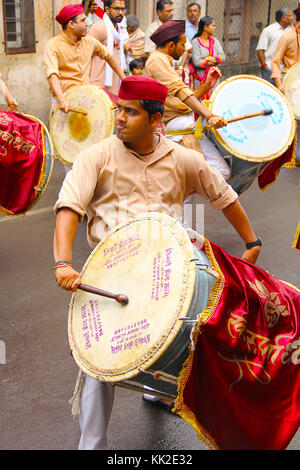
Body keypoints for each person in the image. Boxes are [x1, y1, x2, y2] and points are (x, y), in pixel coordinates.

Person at [53, 75, 261, 450]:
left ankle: (160, 390)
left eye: (129, 112)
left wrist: (252, 242)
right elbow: (69, 208)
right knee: (98, 362)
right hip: (112, 274)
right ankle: (92, 445)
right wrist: (63, 263)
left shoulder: (184, 158)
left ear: (155, 119)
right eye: (118, 109)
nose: (118, 118)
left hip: (168, 271)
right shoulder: (96, 156)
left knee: (188, 340)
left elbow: (224, 196)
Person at [145, 20, 231, 181]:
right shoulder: (157, 60)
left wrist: (207, 86)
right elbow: (180, 91)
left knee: (197, 179)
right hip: (179, 130)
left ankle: (182, 190)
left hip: (185, 126)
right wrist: (209, 116)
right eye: (183, 44)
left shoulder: (163, 61)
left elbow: (183, 98)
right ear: (171, 45)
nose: (185, 49)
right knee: (220, 172)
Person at [43, 4, 125, 115]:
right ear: (71, 24)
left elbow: (109, 56)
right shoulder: (53, 45)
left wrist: (123, 79)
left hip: (85, 102)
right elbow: (52, 75)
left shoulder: (89, 41)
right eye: (83, 21)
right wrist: (61, 99)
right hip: (64, 104)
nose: (87, 24)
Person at [272, 3, 300, 163]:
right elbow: (275, 61)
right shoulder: (287, 36)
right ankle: (288, 155)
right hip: (290, 84)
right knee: (292, 120)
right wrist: (279, 83)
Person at [88, 0, 128, 95]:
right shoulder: (99, 27)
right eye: (117, 9)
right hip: (98, 84)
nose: (121, 13)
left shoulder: (118, 29)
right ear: (107, 9)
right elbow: (85, 53)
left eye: (123, 9)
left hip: (115, 84)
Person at [256, 7, 293, 84]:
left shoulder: (291, 31)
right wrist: (264, 66)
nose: (292, 18)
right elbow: (260, 49)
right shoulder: (269, 30)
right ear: (283, 18)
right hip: (270, 69)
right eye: (289, 16)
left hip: (286, 70)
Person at [191, 16, 225, 98]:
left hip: (214, 79)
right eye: (213, 25)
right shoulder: (195, 42)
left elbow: (222, 57)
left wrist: (207, 59)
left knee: (213, 100)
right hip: (200, 80)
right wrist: (213, 61)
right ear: (205, 27)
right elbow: (196, 62)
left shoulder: (215, 41)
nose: (215, 28)